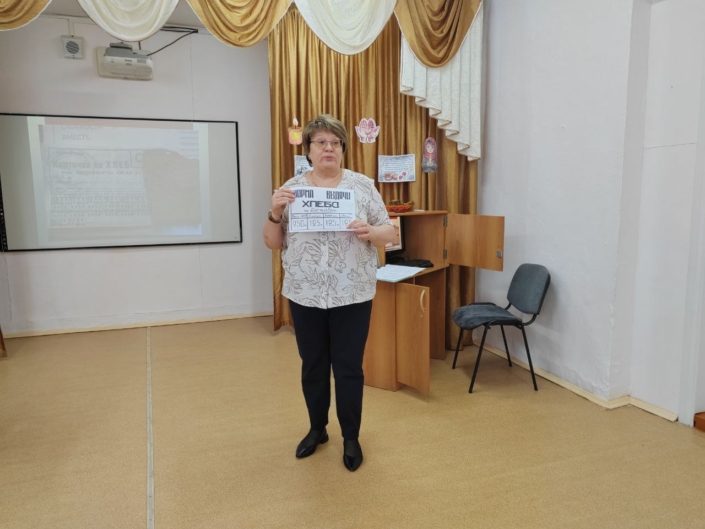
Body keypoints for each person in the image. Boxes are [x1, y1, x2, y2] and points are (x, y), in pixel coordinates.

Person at [263, 115, 395, 472]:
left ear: (343, 149)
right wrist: (275, 212)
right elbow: (273, 242)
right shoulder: (291, 189)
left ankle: (350, 436)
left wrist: (371, 231)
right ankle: (317, 428)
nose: (328, 148)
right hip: (305, 293)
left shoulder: (362, 186)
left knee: (349, 367)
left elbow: (390, 233)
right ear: (308, 150)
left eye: (335, 142)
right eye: (320, 142)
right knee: (314, 366)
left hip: (352, 293)